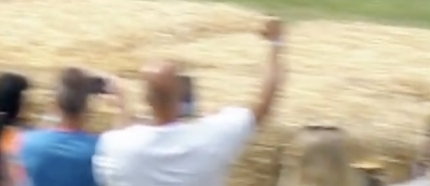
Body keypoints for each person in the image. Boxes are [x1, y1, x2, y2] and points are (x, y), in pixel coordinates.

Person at [92, 18, 285, 186]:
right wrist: (275, 43)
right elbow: (265, 100)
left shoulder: (115, 144)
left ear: (147, 99)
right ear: (182, 96)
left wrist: (123, 107)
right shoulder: (213, 136)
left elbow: (119, 143)